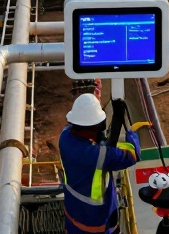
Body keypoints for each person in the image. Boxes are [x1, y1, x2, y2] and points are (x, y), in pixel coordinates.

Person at [59, 94, 140, 234]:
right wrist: (130, 132)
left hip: (74, 214)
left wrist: (99, 139)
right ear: (94, 126)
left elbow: (87, 145)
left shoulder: (64, 137)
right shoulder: (99, 155)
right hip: (98, 223)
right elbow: (132, 155)